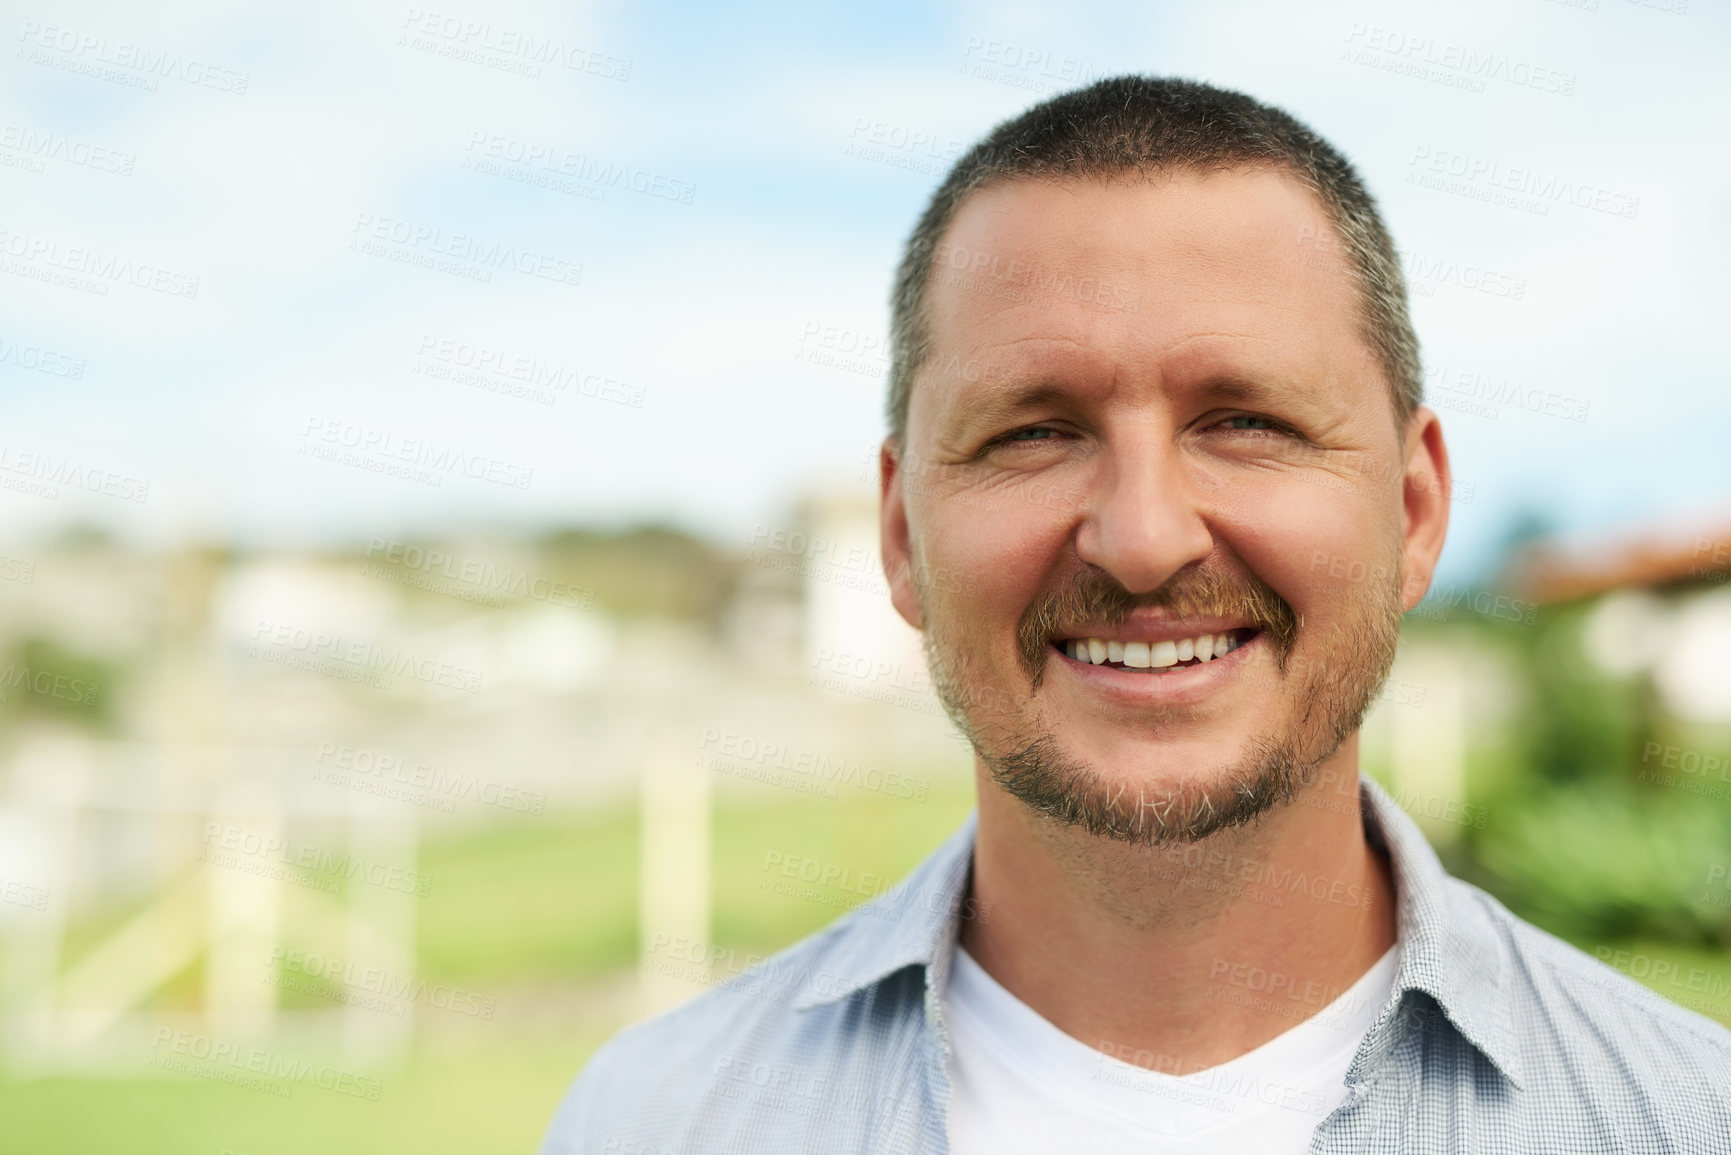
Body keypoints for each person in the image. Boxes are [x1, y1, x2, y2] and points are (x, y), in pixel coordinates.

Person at [541, 75, 1731, 1154]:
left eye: (1248, 422)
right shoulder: (653, 1121)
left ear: (1414, 515)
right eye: (1034, 432)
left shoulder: (1686, 1119)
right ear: (902, 536)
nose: (1147, 536)